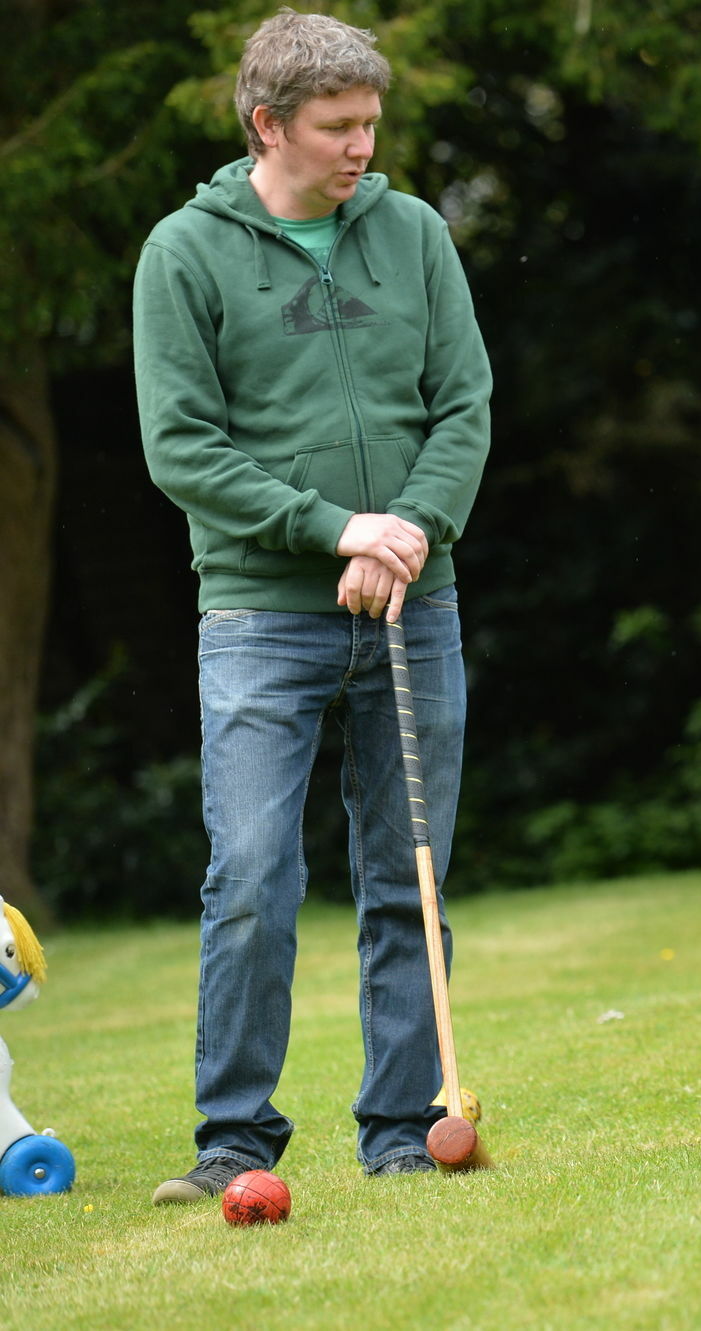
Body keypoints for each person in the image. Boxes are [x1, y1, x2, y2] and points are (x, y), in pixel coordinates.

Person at [133, 8, 491, 1198]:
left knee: (408, 875)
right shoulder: (184, 253)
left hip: (413, 605)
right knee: (251, 874)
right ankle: (232, 1135)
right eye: (337, 129)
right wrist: (334, 527)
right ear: (265, 124)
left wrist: (405, 536)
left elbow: (464, 409)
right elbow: (183, 447)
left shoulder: (414, 232)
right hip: (257, 616)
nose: (360, 151)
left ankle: (400, 1125)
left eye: (370, 126)